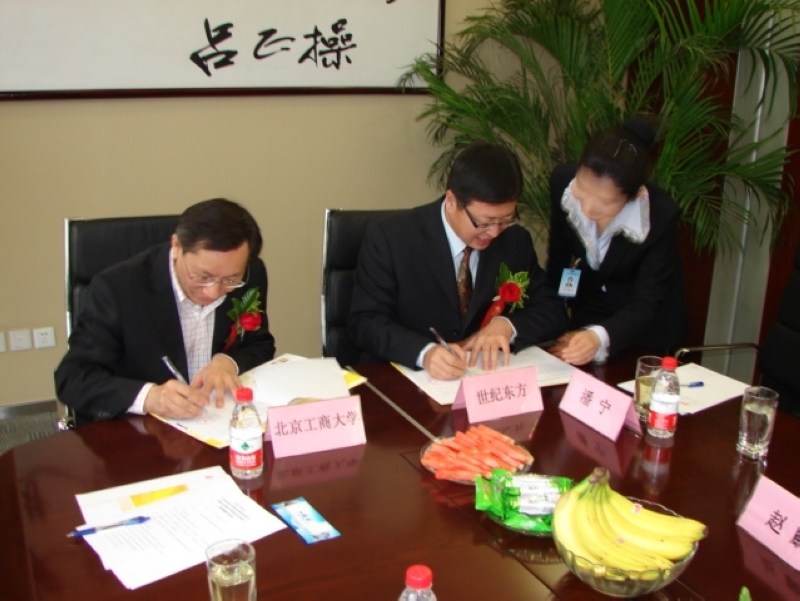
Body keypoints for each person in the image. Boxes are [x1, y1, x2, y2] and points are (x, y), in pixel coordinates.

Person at [348, 142, 568, 380]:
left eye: (506, 220)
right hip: (405, 381)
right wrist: (424, 353)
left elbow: (552, 310)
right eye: (484, 222)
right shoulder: (391, 238)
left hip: (482, 381)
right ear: (452, 200)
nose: (494, 232)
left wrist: (507, 325)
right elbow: (366, 322)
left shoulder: (515, 241)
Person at [55, 198, 276, 425]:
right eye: (202, 276)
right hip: (143, 429)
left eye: (230, 280)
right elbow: (72, 378)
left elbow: (260, 344)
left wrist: (228, 362)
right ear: (177, 246)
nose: (213, 292)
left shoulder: (251, 274)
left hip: (219, 422)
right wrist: (150, 397)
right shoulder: (117, 288)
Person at [546, 116, 688, 366]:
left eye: (605, 202)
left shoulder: (659, 216)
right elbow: (559, 255)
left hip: (643, 326)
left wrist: (599, 336)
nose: (588, 208)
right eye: (582, 191)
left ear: (632, 196)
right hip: (591, 305)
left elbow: (646, 302)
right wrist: (552, 316)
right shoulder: (562, 181)